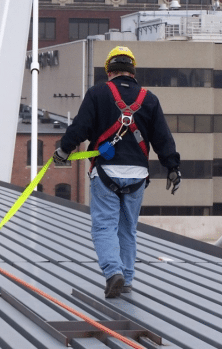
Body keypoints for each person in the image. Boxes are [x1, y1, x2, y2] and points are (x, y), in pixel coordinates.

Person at [53, 46, 181, 298]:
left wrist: (64, 150)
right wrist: (173, 168)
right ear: (132, 70)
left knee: (104, 227)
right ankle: (128, 278)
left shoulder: (98, 93)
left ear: (108, 70)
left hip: (105, 173)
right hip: (136, 175)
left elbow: (81, 127)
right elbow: (163, 138)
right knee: (127, 228)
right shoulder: (150, 99)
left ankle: (114, 273)